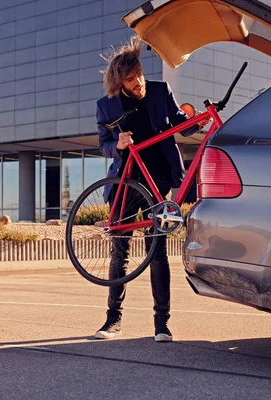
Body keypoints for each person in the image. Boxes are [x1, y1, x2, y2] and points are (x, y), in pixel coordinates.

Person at [94, 36, 210, 342]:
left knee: (157, 252)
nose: (139, 83)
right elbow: (103, 144)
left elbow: (181, 122)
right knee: (120, 253)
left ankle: (162, 324)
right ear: (120, 83)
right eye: (131, 80)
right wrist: (116, 145)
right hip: (126, 182)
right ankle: (112, 320)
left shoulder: (160, 90)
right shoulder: (107, 106)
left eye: (140, 75)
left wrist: (196, 120)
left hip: (159, 179)